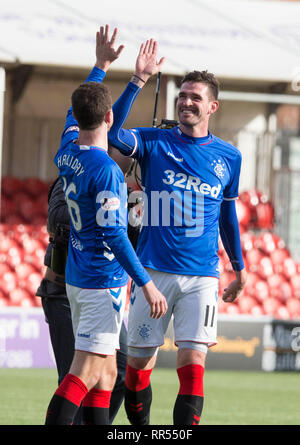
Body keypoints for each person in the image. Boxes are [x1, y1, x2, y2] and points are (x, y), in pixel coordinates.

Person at [108, 38, 247, 425]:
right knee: (137, 368)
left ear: (212, 107)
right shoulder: (154, 141)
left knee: (193, 362)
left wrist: (239, 266)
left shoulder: (229, 156)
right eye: (182, 96)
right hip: (152, 271)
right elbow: (113, 132)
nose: (186, 102)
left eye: (195, 98)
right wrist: (138, 79)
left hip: (202, 274)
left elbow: (227, 213)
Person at [44, 26, 167, 426]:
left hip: (80, 273)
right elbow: (115, 233)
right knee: (84, 373)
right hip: (101, 279)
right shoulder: (108, 174)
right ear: (111, 117)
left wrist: (102, 67)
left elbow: (81, 110)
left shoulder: (67, 151)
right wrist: (146, 283)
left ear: (76, 117)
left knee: (108, 376)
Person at [37, 142, 134, 425]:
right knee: (78, 374)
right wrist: (102, 210)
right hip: (65, 291)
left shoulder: (119, 188)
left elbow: (124, 242)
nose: (130, 161)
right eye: (124, 153)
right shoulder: (74, 174)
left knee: (116, 372)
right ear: (109, 151)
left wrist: (132, 217)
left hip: (103, 291)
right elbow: (57, 219)